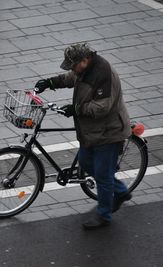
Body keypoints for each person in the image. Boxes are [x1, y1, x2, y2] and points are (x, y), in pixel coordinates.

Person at [35, 43, 132, 230]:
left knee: (103, 176)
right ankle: (120, 191)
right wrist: (51, 82)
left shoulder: (103, 73)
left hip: (108, 132)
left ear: (85, 60)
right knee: (86, 163)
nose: (72, 69)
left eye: (73, 65)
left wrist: (77, 109)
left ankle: (104, 215)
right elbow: (74, 77)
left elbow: (103, 106)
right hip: (92, 131)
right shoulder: (84, 69)